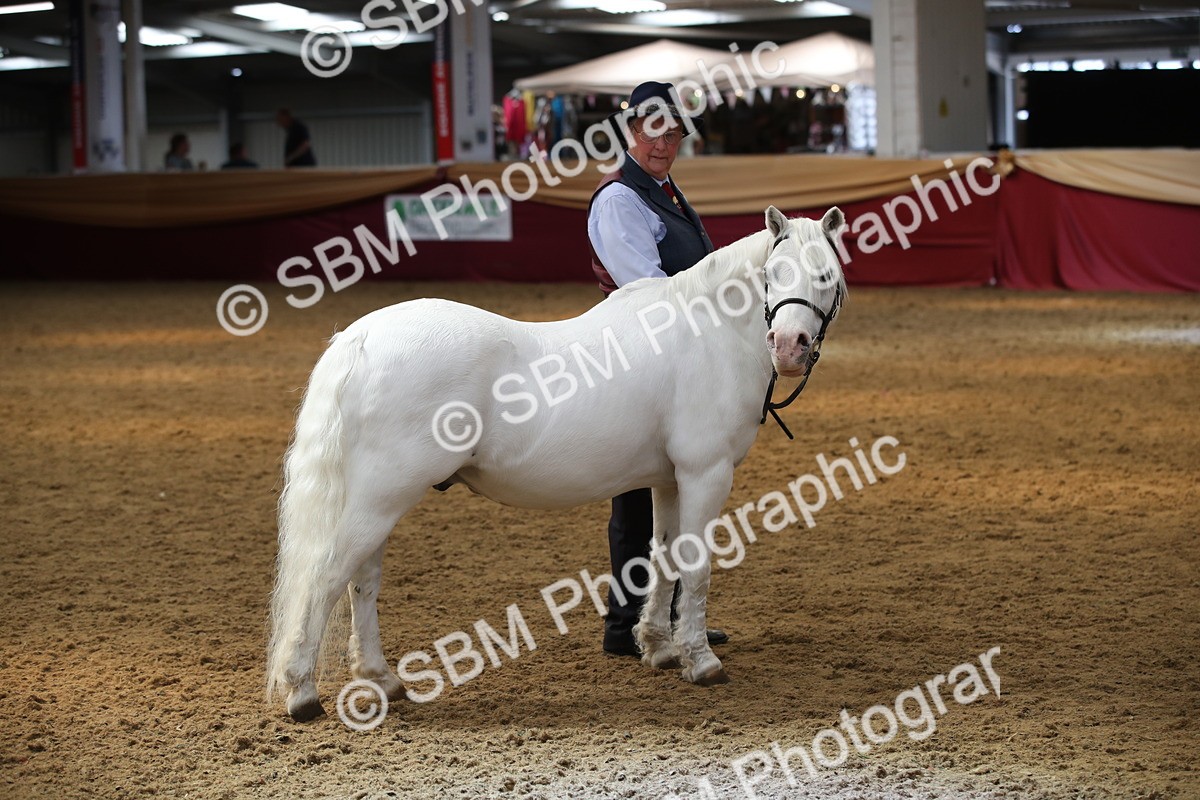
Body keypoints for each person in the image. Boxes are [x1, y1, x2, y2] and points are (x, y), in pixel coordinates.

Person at [586, 80, 728, 658]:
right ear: (630, 132)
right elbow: (649, 290)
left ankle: (659, 613)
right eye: (653, 131)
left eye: (672, 133)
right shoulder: (621, 198)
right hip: (637, 354)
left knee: (666, 489)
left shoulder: (664, 192)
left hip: (671, 356)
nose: (663, 143)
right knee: (635, 497)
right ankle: (626, 622)